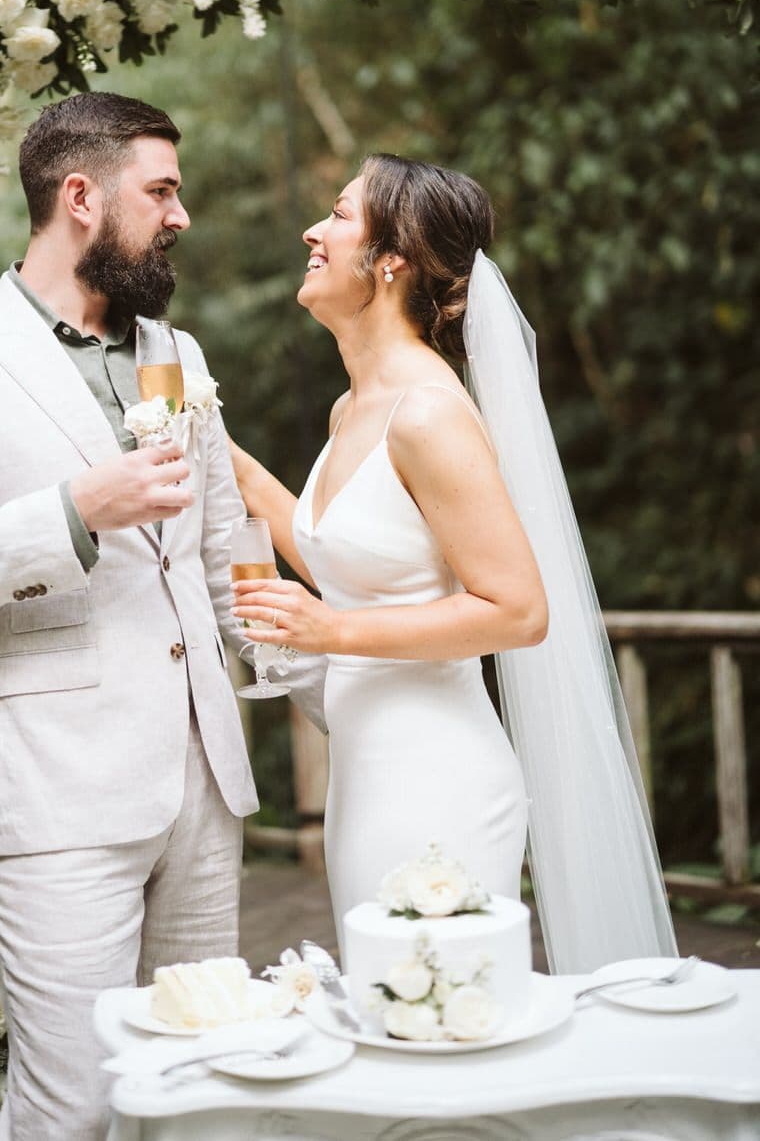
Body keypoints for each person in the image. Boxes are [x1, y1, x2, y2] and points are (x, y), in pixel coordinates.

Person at [0, 91, 324, 1141]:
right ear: (80, 196)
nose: (180, 215)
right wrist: (72, 512)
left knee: (202, 1086)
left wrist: (340, 692)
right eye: (160, 190)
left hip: (203, 789)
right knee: (74, 1105)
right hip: (53, 793)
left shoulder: (181, 354)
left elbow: (215, 560)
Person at [231, 154, 677, 972]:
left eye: (337, 214)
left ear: (391, 258)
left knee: (439, 1027)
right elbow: (352, 558)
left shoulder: (430, 412)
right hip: (364, 778)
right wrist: (227, 460)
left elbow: (518, 610)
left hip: (435, 783)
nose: (313, 231)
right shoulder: (351, 405)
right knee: (390, 1016)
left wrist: (332, 629)